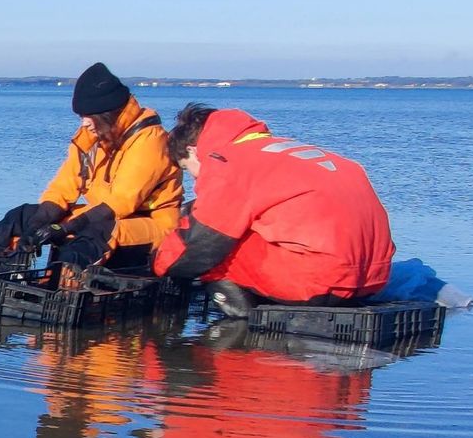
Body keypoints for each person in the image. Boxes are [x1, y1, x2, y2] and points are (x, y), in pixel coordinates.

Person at [153, 104, 395, 317]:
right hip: (374, 278)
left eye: (188, 168)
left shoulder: (227, 162)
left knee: (215, 250)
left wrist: (158, 262)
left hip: (322, 282)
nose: (195, 178)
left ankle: (240, 328)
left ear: (193, 151)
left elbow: (201, 244)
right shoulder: (283, 150)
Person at [0, 62, 183, 267]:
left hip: (150, 225)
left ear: (108, 114)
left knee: (99, 232)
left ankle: (61, 284)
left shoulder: (151, 141)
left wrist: (64, 228)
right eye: (81, 116)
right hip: (100, 216)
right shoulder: (92, 137)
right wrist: (39, 222)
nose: (85, 123)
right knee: (22, 216)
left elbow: (120, 204)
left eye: (89, 116)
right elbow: (65, 185)